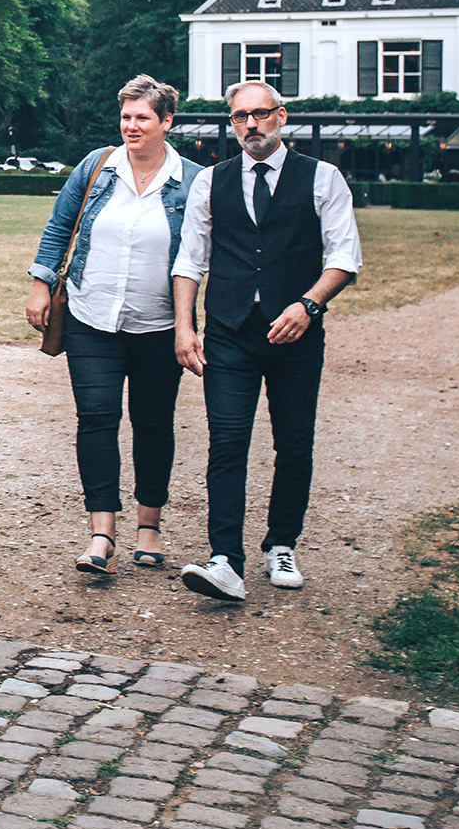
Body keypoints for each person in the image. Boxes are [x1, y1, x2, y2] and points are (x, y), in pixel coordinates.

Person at [171, 80, 361, 601]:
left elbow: (344, 256)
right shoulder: (211, 182)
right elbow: (190, 260)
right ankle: (225, 559)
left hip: (296, 334)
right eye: (238, 118)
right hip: (230, 333)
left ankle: (281, 544)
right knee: (226, 444)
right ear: (231, 124)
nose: (249, 125)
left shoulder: (323, 178)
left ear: (281, 117)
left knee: (294, 444)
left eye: (258, 115)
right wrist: (185, 327)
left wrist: (309, 305)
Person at [24, 75, 200, 576]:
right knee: (96, 418)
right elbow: (60, 225)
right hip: (90, 315)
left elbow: (200, 252)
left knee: (152, 421)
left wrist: (191, 323)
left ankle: (150, 525)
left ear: (167, 122)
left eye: (143, 117)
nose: (131, 126)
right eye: (126, 117)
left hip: (158, 323)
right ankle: (102, 531)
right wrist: (41, 283)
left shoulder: (192, 180)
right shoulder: (97, 166)